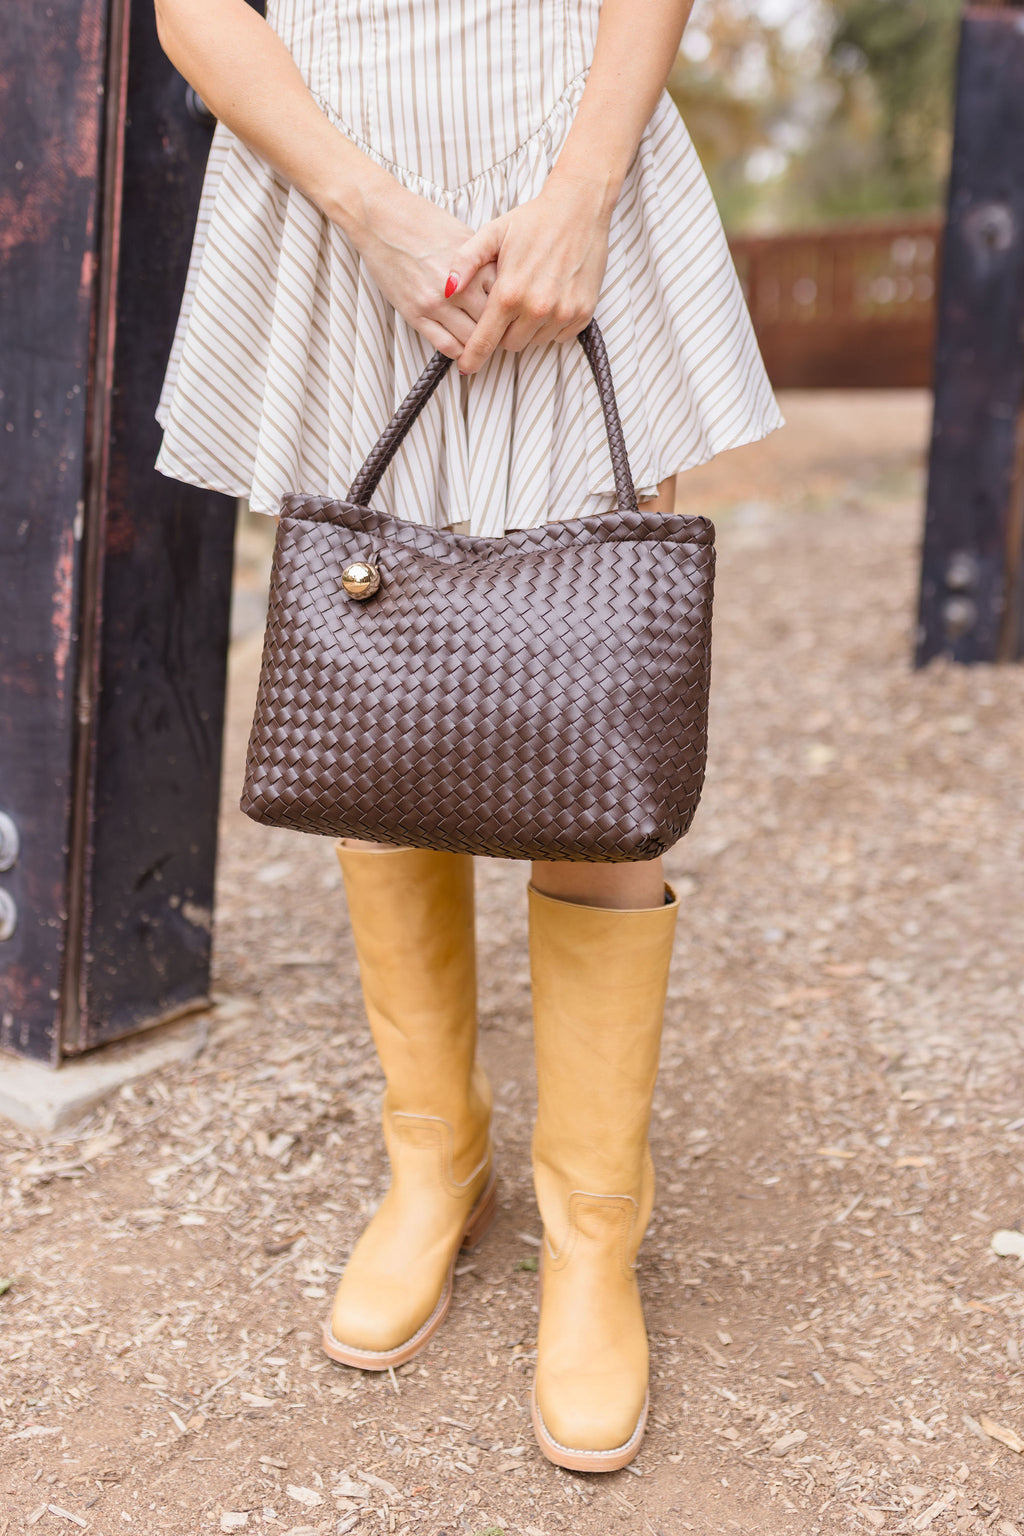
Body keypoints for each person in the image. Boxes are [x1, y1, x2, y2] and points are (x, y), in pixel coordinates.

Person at [154, 0, 782, 1472]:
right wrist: (366, 207)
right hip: (335, 182)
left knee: (588, 716)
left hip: (563, 149)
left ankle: (590, 1239)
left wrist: (582, 194)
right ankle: (437, 1164)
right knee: (380, 698)